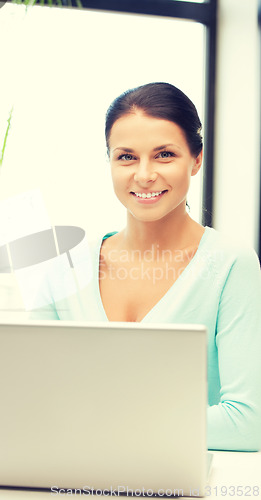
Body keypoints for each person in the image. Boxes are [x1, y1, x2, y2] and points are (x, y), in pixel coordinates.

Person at [31, 82, 261, 452]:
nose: (144, 174)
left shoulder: (231, 265)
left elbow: (246, 424)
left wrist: (101, 420)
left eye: (165, 154)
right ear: (109, 161)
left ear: (196, 159)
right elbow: (30, 399)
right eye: (126, 157)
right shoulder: (64, 270)